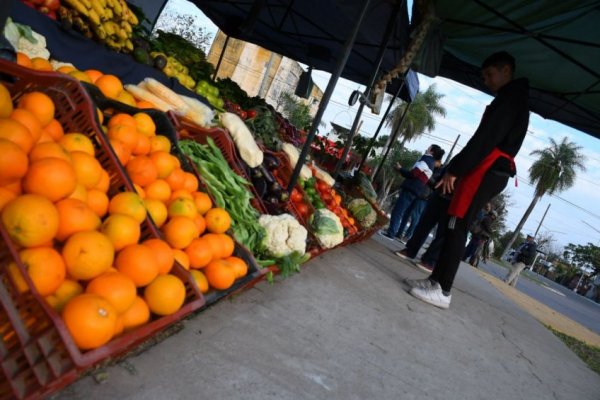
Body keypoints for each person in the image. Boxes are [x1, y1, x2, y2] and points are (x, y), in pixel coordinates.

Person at [406, 51, 530, 309]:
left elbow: (485, 139)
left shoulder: (512, 98)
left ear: (506, 70)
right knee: (452, 222)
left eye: (490, 74)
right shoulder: (511, 98)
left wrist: (455, 169)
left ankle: (443, 290)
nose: (486, 80)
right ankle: (435, 280)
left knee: (457, 224)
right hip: (486, 168)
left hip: (488, 169)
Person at [381, 145, 445, 239]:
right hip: (416, 191)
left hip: (411, 188)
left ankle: (391, 233)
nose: (426, 148)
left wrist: (400, 169)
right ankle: (393, 231)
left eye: (429, 148)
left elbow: (413, 174)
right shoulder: (431, 163)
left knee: (398, 211)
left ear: (431, 151)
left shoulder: (426, 160)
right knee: (401, 211)